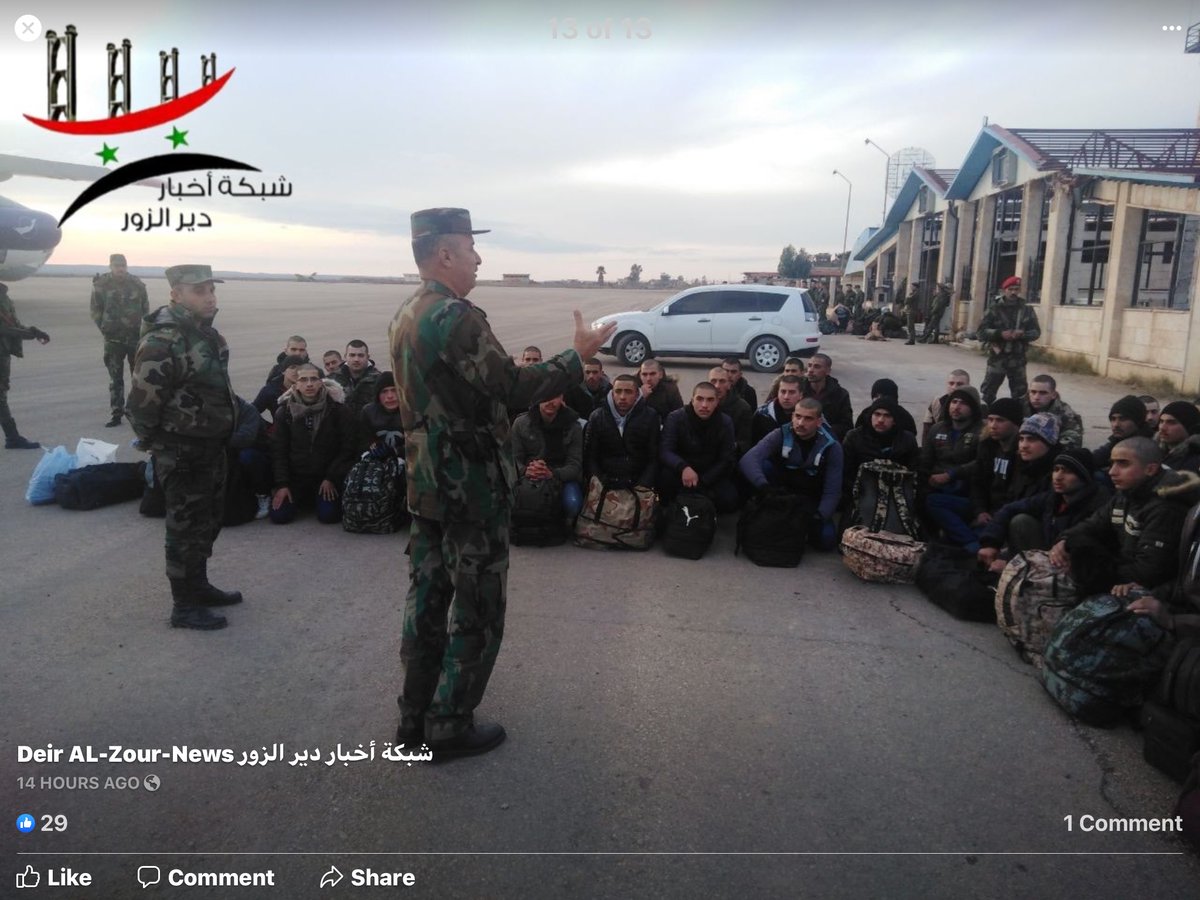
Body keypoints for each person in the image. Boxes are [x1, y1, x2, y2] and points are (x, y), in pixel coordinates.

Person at [388, 207, 614, 759]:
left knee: (426, 601)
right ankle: (448, 726)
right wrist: (577, 357)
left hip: (427, 482)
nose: (478, 258)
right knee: (477, 608)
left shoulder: (409, 311)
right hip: (469, 486)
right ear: (445, 253)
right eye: (470, 247)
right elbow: (512, 386)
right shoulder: (454, 316)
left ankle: (414, 718)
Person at [125, 264, 240, 630]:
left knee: (208, 522)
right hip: (182, 451)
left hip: (210, 447)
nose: (210, 297)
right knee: (183, 528)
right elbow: (141, 405)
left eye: (211, 289)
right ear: (176, 294)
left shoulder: (205, 334)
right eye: (199, 291)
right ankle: (184, 605)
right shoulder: (164, 340)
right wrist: (160, 446)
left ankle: (199, 585)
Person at [1051, 437, 1197, 597]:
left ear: (1150, 469)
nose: (1112, 471)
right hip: (1120, 573)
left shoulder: (1167, 507)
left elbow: (1150, 571)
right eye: (1112, 463)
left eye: (1123, 464)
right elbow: (1092, 524)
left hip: (1148, 592)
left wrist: (1087, 573)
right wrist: (1065, 540)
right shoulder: (1127, 494)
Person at [977, 448, 1108, 572]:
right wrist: (990, 543)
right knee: (1021, 521)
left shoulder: (1099, 503)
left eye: (1068, 471)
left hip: (1076, 566)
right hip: (1049, 554)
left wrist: (1013, 568)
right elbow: (1009, 509)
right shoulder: (1053, 498)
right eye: (1056, 469)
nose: (1058, 477)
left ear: (1084, 476)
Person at [739, 397, 843, 550]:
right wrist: (764, 487)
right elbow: (748, 460)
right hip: (781, 494)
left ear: (819, 422)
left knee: (826, 541)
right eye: (798, 416)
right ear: (792, 416)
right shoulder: (780, 434)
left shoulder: (832, 447)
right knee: (765, 466)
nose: (800, 423)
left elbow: (832, 490)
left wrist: (820, 516)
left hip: (811, 498)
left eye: (808, 419)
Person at [919, 385, 985, 550]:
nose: (956, 406)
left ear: (973, 407)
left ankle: (971, 544)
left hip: (967, 493)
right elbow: (925, 462)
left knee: (934, 503)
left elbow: (982, 462)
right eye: (954, 402)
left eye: (963, 403)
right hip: (937, 487)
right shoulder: (937, 429)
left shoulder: (983, 432)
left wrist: (952, 474)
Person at [658, 382, 739, 513]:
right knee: (665, 480)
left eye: (710, 400)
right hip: (681, 472)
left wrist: (704, 481)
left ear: (717, 402)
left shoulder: (725, 422)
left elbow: (727, 458)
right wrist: (683, 467)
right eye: (700, 399)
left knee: (729, 499)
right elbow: (665, 450)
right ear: (692, 400)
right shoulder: (675, 418)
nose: (704, 405)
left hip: (710, 474)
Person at [90, 253, 149, 427]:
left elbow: (145, 308)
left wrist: (143, 330)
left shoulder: (137, 284)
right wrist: (104, 328)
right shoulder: (101, 285)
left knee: (137, 378)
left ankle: (137, 413)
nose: (120, 269)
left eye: (123, 266)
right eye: (117, 266)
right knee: (115, 379)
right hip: (113, 339)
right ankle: (116, 413)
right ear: (111, 266)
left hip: (134, 338)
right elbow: (95, 310)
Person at [511, 393, 585, 519]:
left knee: (573, 504)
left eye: (555, 396)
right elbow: (513, 459)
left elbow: (575, 465)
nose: (550, 401)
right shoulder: (520, 423)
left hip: (560, 476)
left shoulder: (574, 426)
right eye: (546, 395)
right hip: (527, 475)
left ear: (562, 398)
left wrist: (552, 473)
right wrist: (526, 470)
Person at [584, 373, 661, 488]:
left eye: (628, 392)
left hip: (638, 484)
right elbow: (590, 457)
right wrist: (599, 483)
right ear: (612, 393)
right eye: (618, 391)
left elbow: (653, 458)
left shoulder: (650, 416)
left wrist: (643, 486)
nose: (622, 397)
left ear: (637, 394)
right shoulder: (597, 417)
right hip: (604, 483)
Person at [840, 395, 920, 506]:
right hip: (862, 495)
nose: (881, 420)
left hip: (897, 497)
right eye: (877, 414)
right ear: (870, 416)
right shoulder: (854, 438)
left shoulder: (907, 440)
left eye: (887, 416)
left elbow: (914, 473)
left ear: (894, 420)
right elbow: (846, 474)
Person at [0, 282, 50, 449]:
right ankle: (12, 437)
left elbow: (12, 324)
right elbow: (5, 329)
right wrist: (30, 334)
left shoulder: (3, 296)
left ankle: (12, 437)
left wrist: (34, 331)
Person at [977, 275, 1041, 405]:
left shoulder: (1027, 310)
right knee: (988, 393)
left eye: (1016, 289)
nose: (1013, 292)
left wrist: (1022, 334)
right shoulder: (994, 309)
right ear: (1004, 290)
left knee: (1020, 395)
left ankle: (1017, 416)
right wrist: (999, 334)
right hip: (998, 358)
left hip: (1018, 358)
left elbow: (1036, 332)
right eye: (1010, 289)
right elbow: (981, 332)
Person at [1091, 395, 1153, 474]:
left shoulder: (1146, 447)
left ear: (1137, 421)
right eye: (1113, 419)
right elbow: (1094, 458)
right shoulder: (1117, 441)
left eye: (1122, 419)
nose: (1116, 424)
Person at [800, 353, 853, 440]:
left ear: (828, 371)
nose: (810, 370)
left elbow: (847, 425)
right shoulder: (798, 389)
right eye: (809, 365)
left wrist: (821, 430)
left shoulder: (840, 394)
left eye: (817, 367)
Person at [1022, 374, 1083, 450]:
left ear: (1053, 395)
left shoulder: (1065, 413)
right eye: (1033, 392)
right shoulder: (1019, 405)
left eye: (1043, 393)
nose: (1036, 397)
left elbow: (1073, 441)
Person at [708, 365, 753, 458]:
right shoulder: (700, 404)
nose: (717, 386)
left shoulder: (743, 408)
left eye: (722, 381)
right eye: (713, 381)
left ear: (729, 385)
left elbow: (745, 443)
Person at [331, 339, 382, 416]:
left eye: (360, 355)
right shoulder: (333, 380)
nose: (356, 359)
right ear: (345, 356)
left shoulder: (379, 380)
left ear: (368, 357)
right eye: (352, 355)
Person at [922, 369, 971, 446]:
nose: (954, 387)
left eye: (960, 384)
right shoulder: (936, 403)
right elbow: (927, 433)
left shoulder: (980, 406)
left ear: (968, 386)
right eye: (951, 383)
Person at [852, 378, 917, 436]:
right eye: (876, 396)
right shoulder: (865, 415)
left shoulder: (905, 418)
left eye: (883, 396)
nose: (880, 420)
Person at [252, 353, 306, 419]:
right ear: (283, 371)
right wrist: (265, 424)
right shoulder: (270, 391)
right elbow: (251, 412)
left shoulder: (309, 388)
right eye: (292, 367)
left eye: (300, 368)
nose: (296, 371)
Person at [752, 374, 802, 444]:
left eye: (792, 392)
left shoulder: (809, 415)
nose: (786, 397)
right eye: (783, 392)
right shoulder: (762, 414)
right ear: (778, 392)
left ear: (800, 395)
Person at [1157, 400, 1200, 474]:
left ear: (1189, 427)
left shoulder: (1196, 461)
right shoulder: (1153, 451)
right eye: (1161, 421)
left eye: (1171, 422)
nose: (1162, 427)